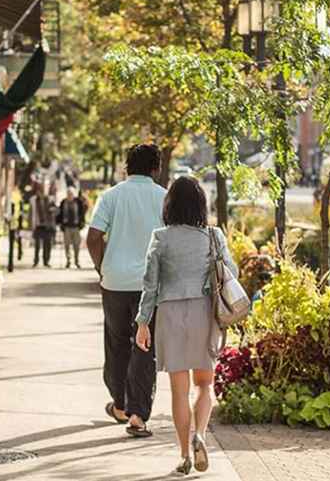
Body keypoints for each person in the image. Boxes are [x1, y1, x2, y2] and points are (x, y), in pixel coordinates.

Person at [134, 176, 237, 475]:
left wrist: (143, 322)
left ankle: (183, 455)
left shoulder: (160, 237)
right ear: (201, 205)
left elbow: (150, 284)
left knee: (179, 391)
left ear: (170, 205)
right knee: (204, 384)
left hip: (169, 314)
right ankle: (200, 436)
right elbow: (231, 271)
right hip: (204, 313)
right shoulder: (214, 236)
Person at [86, 144, 166, 438]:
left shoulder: (111, 196)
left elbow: (93, 237)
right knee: (144, 348)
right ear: (156, 169)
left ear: (126, 167)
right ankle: (137, 414)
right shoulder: (164, 198)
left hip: (115, 282)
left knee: (116, 343)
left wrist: (102, 267)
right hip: (150, 285)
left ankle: (120, 402)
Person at [58, 187, 88, 269]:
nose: (69, 195)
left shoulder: (78, 202)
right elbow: (60, 214)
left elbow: (83, 212)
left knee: (76, 245)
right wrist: (60, 223)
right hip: (67, 227)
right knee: (67, 245)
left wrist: (82, 223)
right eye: (68, 194)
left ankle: (77, 261)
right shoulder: (63, 202)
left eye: (71, 194)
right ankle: (68, 261)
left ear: (73, 195)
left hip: (76, 227)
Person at [29, 185, 58, 268]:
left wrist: (53, 210)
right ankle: (36, 261)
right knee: (37, 245)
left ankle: (46, 261)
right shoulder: (33, 200)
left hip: (47, 225)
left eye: (40, 192)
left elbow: (56, 210)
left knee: (47, 245)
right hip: (38, 225)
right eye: (38, 192)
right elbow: (31, 213)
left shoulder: (49, 199)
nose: (39, 193)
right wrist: (30, 224)